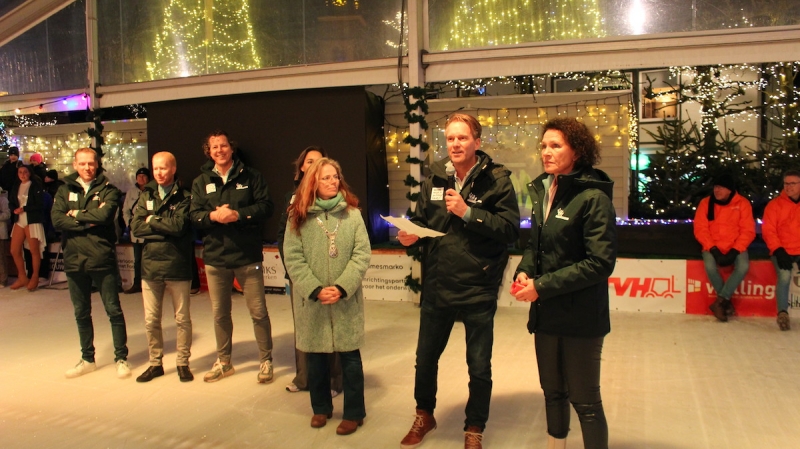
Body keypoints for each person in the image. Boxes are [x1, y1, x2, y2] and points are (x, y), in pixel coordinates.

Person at [397, 113, 520, 449]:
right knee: (425, 359)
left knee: (478, 366)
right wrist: (411, 234)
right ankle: (424, 414)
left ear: (477, 142)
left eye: (462, 138)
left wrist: (468, 212)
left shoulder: (497, 180)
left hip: (478, 286)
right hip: (438, 284)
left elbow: (510, 230)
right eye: (450, 138)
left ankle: (474, 427)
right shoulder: (436, 177)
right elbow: (423, 221)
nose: (455, 144)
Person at [512, 118, 616, 449]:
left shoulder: (593, 197)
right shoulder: (544, 190)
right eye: (543, 145)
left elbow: (600, 263)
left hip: (581, 317)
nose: (546, 152)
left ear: (578, 151)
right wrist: (524, 271)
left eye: (556, 146)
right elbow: (535, 246)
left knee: (585, 401)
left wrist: (542, 286)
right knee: (553, 392)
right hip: (547, 315)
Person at [284, 158, 371, 435]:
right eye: (326, 178)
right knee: (316, 359)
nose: (333, 182)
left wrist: (342, 287)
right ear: (313, 182)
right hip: (313, 301)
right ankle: (320, 408)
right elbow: (293, 257)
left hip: (345, 300)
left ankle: (354, 413)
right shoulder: (297, 216)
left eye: (336, 177)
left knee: (351, 360)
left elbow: (362, 254)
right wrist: (314, 288)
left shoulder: (353, 215)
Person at [190, 130, 275, 383]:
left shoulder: (252, 176)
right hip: (216, 258)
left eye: (223, 145)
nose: (219, 150)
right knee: (220, 314)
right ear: (209, 152)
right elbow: (193, 215)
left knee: (258, 312)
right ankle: (224, 362)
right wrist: (212, 216)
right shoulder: (200, 181)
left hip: (247, 256)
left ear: (231, 148)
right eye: (214, 147)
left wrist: (237, 214)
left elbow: (266, 207)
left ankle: (266, 360)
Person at [52, 148, 130, 379]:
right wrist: (88, 220)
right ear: (75, 165)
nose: (87, 167)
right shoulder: (64, 190)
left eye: (91, 163)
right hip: (74, 260)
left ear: (97, 165)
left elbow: (104, 217)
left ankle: (121, 358)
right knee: (81, 312)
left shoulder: (109, 190)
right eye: (82, 163)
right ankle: (87, 359)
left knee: (113, 310)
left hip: (101, 258)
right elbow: (57, 219)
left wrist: (74, 214)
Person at [277, 146, 343, 396]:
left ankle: (334, 380)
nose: (314, 165)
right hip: (301, 276)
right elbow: (284, 236)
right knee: (305, 329)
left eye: (320, 162)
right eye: (309, 162)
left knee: (332, 327)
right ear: (302, 168)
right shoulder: (292, 199)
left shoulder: (338, 202)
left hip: (331, 276)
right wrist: (295, 269)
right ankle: (304, 378)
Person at [130, 152, 194, 382]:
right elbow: (136, 227)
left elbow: (179, 227)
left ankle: (183, 363)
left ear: (173, 169)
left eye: (163, 168)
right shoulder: (146, 194)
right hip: (150, 266)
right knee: (151, 320)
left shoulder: (185, 196)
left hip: (177, 265)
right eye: (155, 168)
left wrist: (151, 220)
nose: (158, 172)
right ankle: (155, 363)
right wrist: (161, 226)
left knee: (182, 319)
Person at [693, 173, 755, 322]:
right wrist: (713, 249)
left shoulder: (743, 203)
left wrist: (735, 250)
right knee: (710, 267)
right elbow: (700, 229)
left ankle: (721, 301)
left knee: (743, 266)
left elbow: (748, 231)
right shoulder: (706, 203)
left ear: (729, 189)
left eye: (721, 187)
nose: (717, 190)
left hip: (736, 245)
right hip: (712, 245)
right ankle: (724, 303)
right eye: (715, 187)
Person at [762, 169, 800, 331]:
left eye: (793, 183)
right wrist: (778, 250)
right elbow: (768, 231)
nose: (789, 187)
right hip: (782, 250)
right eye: (786, 183)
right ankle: (782, 313)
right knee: (784, 276)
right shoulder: (774, 205)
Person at [8, 165, 46, 291]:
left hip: (32, 220)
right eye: (20, 172)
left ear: (30, 173)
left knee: (34, 250)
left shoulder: (35, 186)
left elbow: (39, 204)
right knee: (14, 250)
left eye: (25, 172)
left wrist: (24, 208)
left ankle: (35, 276)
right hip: (19, 220)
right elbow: (12, 201)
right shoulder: (16, 186)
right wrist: (14, 209)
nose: (22, 174)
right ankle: (22, 276)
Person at [122, 167, 151, 294]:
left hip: (148, 230)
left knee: (149, 259)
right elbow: (125, 210)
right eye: (139, 176)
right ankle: (137, 283)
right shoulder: (131, 192)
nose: (141, 178)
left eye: (144, 176)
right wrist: (129, 224)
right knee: (137, 260)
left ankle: (150, 284)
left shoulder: (152, 191)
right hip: (135, 231)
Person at [0, 188, 10, 287]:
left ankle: (3, 280)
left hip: (1, 233)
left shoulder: (3, 200)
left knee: (1, 258)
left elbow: (7, 214)